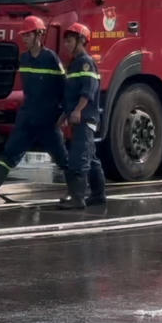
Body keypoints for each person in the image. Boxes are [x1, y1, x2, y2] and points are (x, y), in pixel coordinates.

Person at [0, 15, 69, 202]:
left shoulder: (50, 58)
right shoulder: (24, 58)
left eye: (28, 35)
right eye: (23, 36)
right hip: (27, 117)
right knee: (9, 152)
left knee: (61, 156)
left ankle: (77, 190)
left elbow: (64, 87)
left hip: (47, 119)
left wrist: (64, 113)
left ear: (39, 35)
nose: (24, 39)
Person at [56, 23, 108, 209]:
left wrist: (78, 110)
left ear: (81, 40)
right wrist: (64, 115)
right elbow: (69, 95)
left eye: (70, 41)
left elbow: (88, 91)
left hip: (85, 118)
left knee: (79, 157)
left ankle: (78, 198)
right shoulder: (74, 64)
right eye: (66, 41)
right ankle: (98, 195)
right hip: (78, 117)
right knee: (91, 157)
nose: (67, 45)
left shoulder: (86, 63)